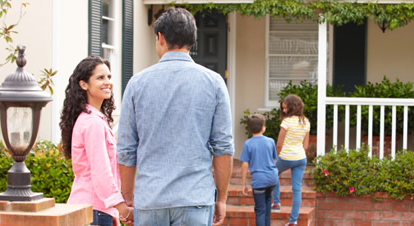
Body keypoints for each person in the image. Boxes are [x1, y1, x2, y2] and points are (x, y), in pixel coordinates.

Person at [116, 7, 234, 226]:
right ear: (193, 39)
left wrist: (129, 196)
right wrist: (222, 198)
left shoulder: (136, 84)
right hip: (195, 197)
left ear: (160, 37)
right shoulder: (214, 82)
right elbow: (223, 148)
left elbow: (126, 149)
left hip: (151, 198)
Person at [59, 56, 134, 226]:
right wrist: (122, 208)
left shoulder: (92, 119)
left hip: (93, 209)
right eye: (100, 78)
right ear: (83, 84)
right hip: (94, 211)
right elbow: (101, 172)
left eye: (109, 77)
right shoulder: (93, 123)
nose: (107, 82)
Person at [271, 94, 310, 226]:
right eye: (283, 108)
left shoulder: (286, 122)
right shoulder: (306, 121)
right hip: (300, 158)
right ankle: (293, 221)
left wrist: (276, 155)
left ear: (293, 106)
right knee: (297, 190)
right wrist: (298, 154)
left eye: (286, 108)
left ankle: (276, 202)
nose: (284, 110)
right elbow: (305, 145)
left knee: (273, 173)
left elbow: (279, 143)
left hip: (286, 157)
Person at [240, 114, 279, 226]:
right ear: (263, 128)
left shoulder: (248, 144)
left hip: (259, 181)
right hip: (272, 179)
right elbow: (274, 159)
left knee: (260, 210)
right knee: (267, 209)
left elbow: (244, 165)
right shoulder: (270, 141)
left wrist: (244, 184)